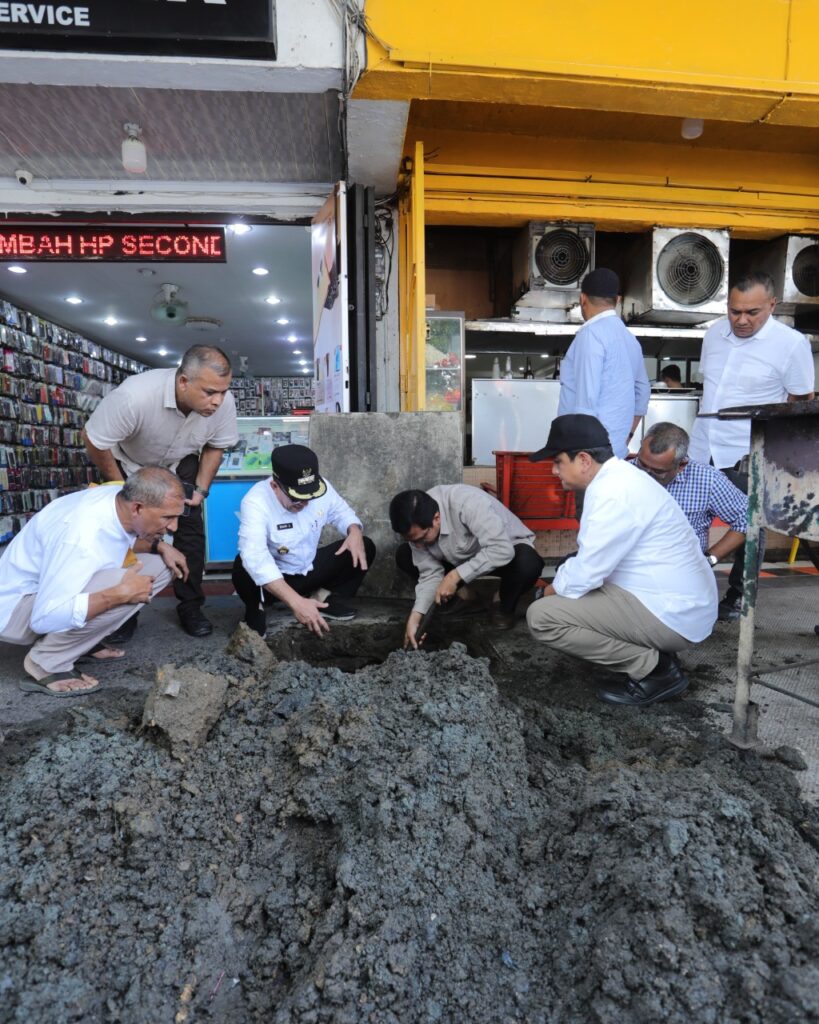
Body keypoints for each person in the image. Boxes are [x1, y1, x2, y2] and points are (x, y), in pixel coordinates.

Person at [526, 414, 717, 707]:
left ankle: (654, 669)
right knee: (569, 577)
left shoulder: (611, 493)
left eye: (558, 461)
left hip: (673, 613)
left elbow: (587, 574)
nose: (554, 471)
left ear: (584, 460)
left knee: (542, 617)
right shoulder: (620, 479)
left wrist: (544, 593)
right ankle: (653, 652)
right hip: (677, 602)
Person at [83, 344, 240, 638]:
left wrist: (202, 490)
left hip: (179, 464)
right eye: (209, 392)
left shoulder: (223, 402)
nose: (218, 401)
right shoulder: (134, 396)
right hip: (128, 463)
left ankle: (191, 605)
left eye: (223, 391)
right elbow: (95, 439)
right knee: (123, 536)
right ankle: (122, 613)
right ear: (183, 382)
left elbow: (216, 445)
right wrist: (120, 487)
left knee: (191, 533)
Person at [688, 271, 815, 619]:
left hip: (748, 451)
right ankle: (685, 583)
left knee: (749, 522)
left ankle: (740, 595)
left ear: (772, 305)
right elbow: (712, 389)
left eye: (752, 313)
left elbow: (800, 402)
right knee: (686, 515)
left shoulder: (791, 344)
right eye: (734, 311)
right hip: (703, 446)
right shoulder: (714, 334)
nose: (741, 320)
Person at [0, 467, 187, 698]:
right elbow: (43, 617)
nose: (173, 527)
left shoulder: (119, 495)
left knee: (160, 567)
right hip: (16, 611)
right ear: (137, 508)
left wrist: (161, 545)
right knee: (126, 583)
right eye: (168, 517)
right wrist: (119, 594)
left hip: (53, 588)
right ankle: (47, 662)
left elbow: (115, 542)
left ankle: (80, 640)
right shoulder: (81, 539)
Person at [232, 444, 375, 637]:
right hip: (273, 581)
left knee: (364, 546)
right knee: (243, 565)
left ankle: (320, 598)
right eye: (297, 499)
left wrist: (354, 531)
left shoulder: (320, 487)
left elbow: (341, 512)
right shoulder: (255, 502)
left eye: (310, 496)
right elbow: (256, 557)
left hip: (308, 569)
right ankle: (256, 608)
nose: (305, 503)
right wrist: (296, 603)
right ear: (275, 486)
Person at [390, 485, 544, 648]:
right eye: (413, 540)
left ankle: (502, 601)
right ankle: (466, 599)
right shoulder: (417, 527)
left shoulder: (467, 503)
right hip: (458, 559)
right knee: (404, 555)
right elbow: (429, 574)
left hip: (502, 552)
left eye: (422, 538)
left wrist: (454, 576)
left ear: (436, 518)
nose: (419, 546)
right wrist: (416, 615)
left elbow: (501, 550)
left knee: (528, 564)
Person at [632, 423, 748, 614]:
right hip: (631, 573)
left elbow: (747, 516)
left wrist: (709, 558)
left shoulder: (706, 479)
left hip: (680, 579)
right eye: (642, 465)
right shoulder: (625, 472)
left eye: (658, 471)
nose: (646, 475)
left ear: (681, 465)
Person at [557, 267, 650, 459]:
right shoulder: (630, 339)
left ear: (582, 298)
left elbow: (586, 402)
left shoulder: (591, 334)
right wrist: (625, 437)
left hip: (588, 457)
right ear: (617, 301)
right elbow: (643, 392)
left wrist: (581, 458)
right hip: (615, 452)